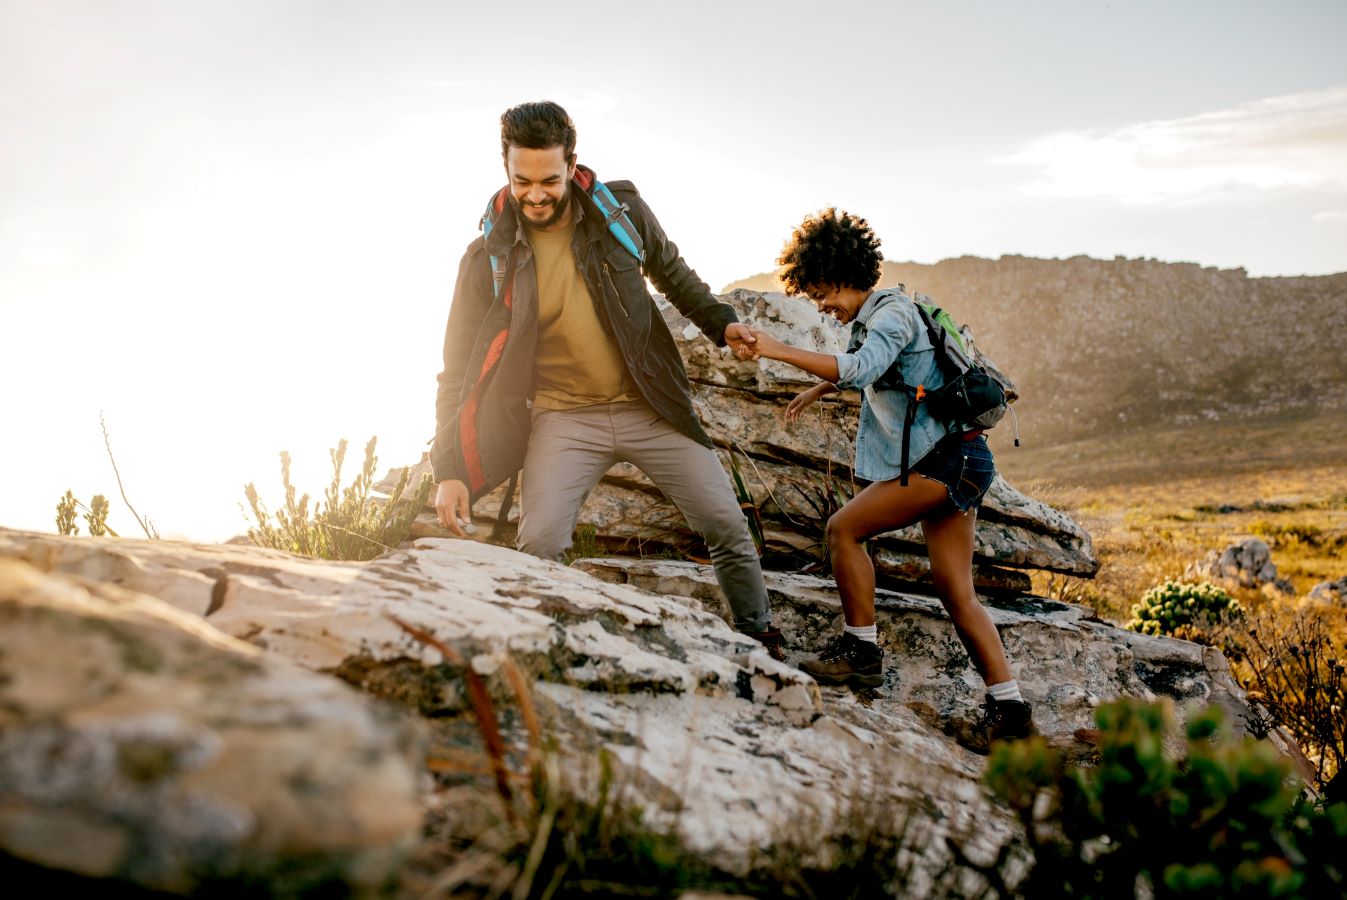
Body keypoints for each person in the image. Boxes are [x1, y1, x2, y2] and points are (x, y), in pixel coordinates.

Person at [429, 100, 782, 656]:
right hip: (562, 416)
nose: (536, 194)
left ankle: (759, 636)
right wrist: (449, 468)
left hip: (649, 405)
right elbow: (456, 370)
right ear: (505, 168)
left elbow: (674, 275)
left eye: (549, 179)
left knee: (725, 523)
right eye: (522, 180)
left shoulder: (621, 213)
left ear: (572, 165)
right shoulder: (484, 258)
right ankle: (534, 654)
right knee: (540, 541)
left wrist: (724, 325)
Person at [745, 208, 1034, 753]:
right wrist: (816, 391)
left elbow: (860, 367)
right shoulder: (883, 314)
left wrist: (777, 349)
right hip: (963, 458)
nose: (821, 305)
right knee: (956, 591)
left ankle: (861, 654)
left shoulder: (893, 313)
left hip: (945, 461)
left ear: (843, 272)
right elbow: (874, 364)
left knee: (843, 531)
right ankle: (1012, 711)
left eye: (821, 292)